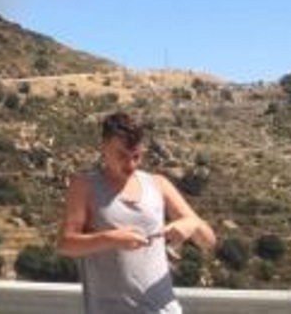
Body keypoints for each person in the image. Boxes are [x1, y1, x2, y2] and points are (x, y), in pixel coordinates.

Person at [58, 111, 216, 313]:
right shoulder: (84, 186)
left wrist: (191, 225)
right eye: (122, 156)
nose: (131, 164)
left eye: (137, 156)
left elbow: (208, 241)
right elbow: (65, 244)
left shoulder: (159, 184)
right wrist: (111, 239)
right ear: (104, 147)